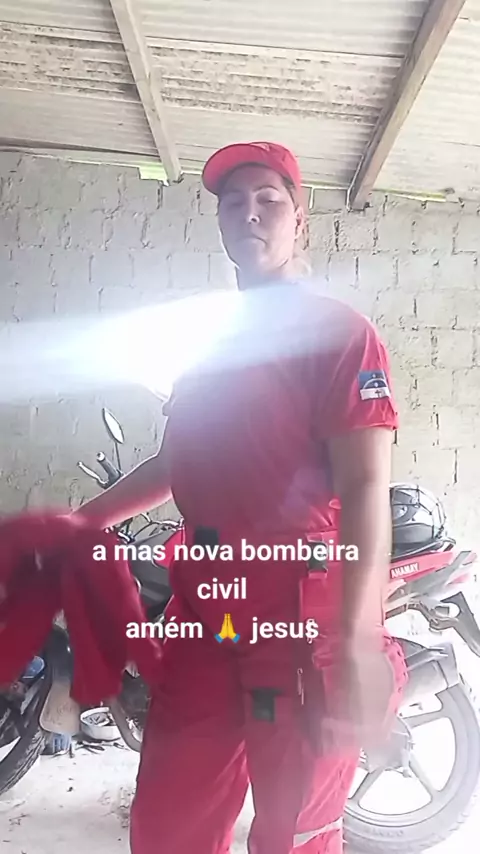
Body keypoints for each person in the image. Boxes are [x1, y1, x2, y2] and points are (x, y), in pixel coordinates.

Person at [75, 142, 406, 854]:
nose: (248, 214)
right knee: (170, 824)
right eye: (233, 203)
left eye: (268, 200)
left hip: (299, 620)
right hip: (209, 613)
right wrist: (79, 523)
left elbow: (364, 484)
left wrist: (359, 640)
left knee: (293, 832)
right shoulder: (211, 349)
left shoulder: (341, 336)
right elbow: (175, 461)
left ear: (300, 219)